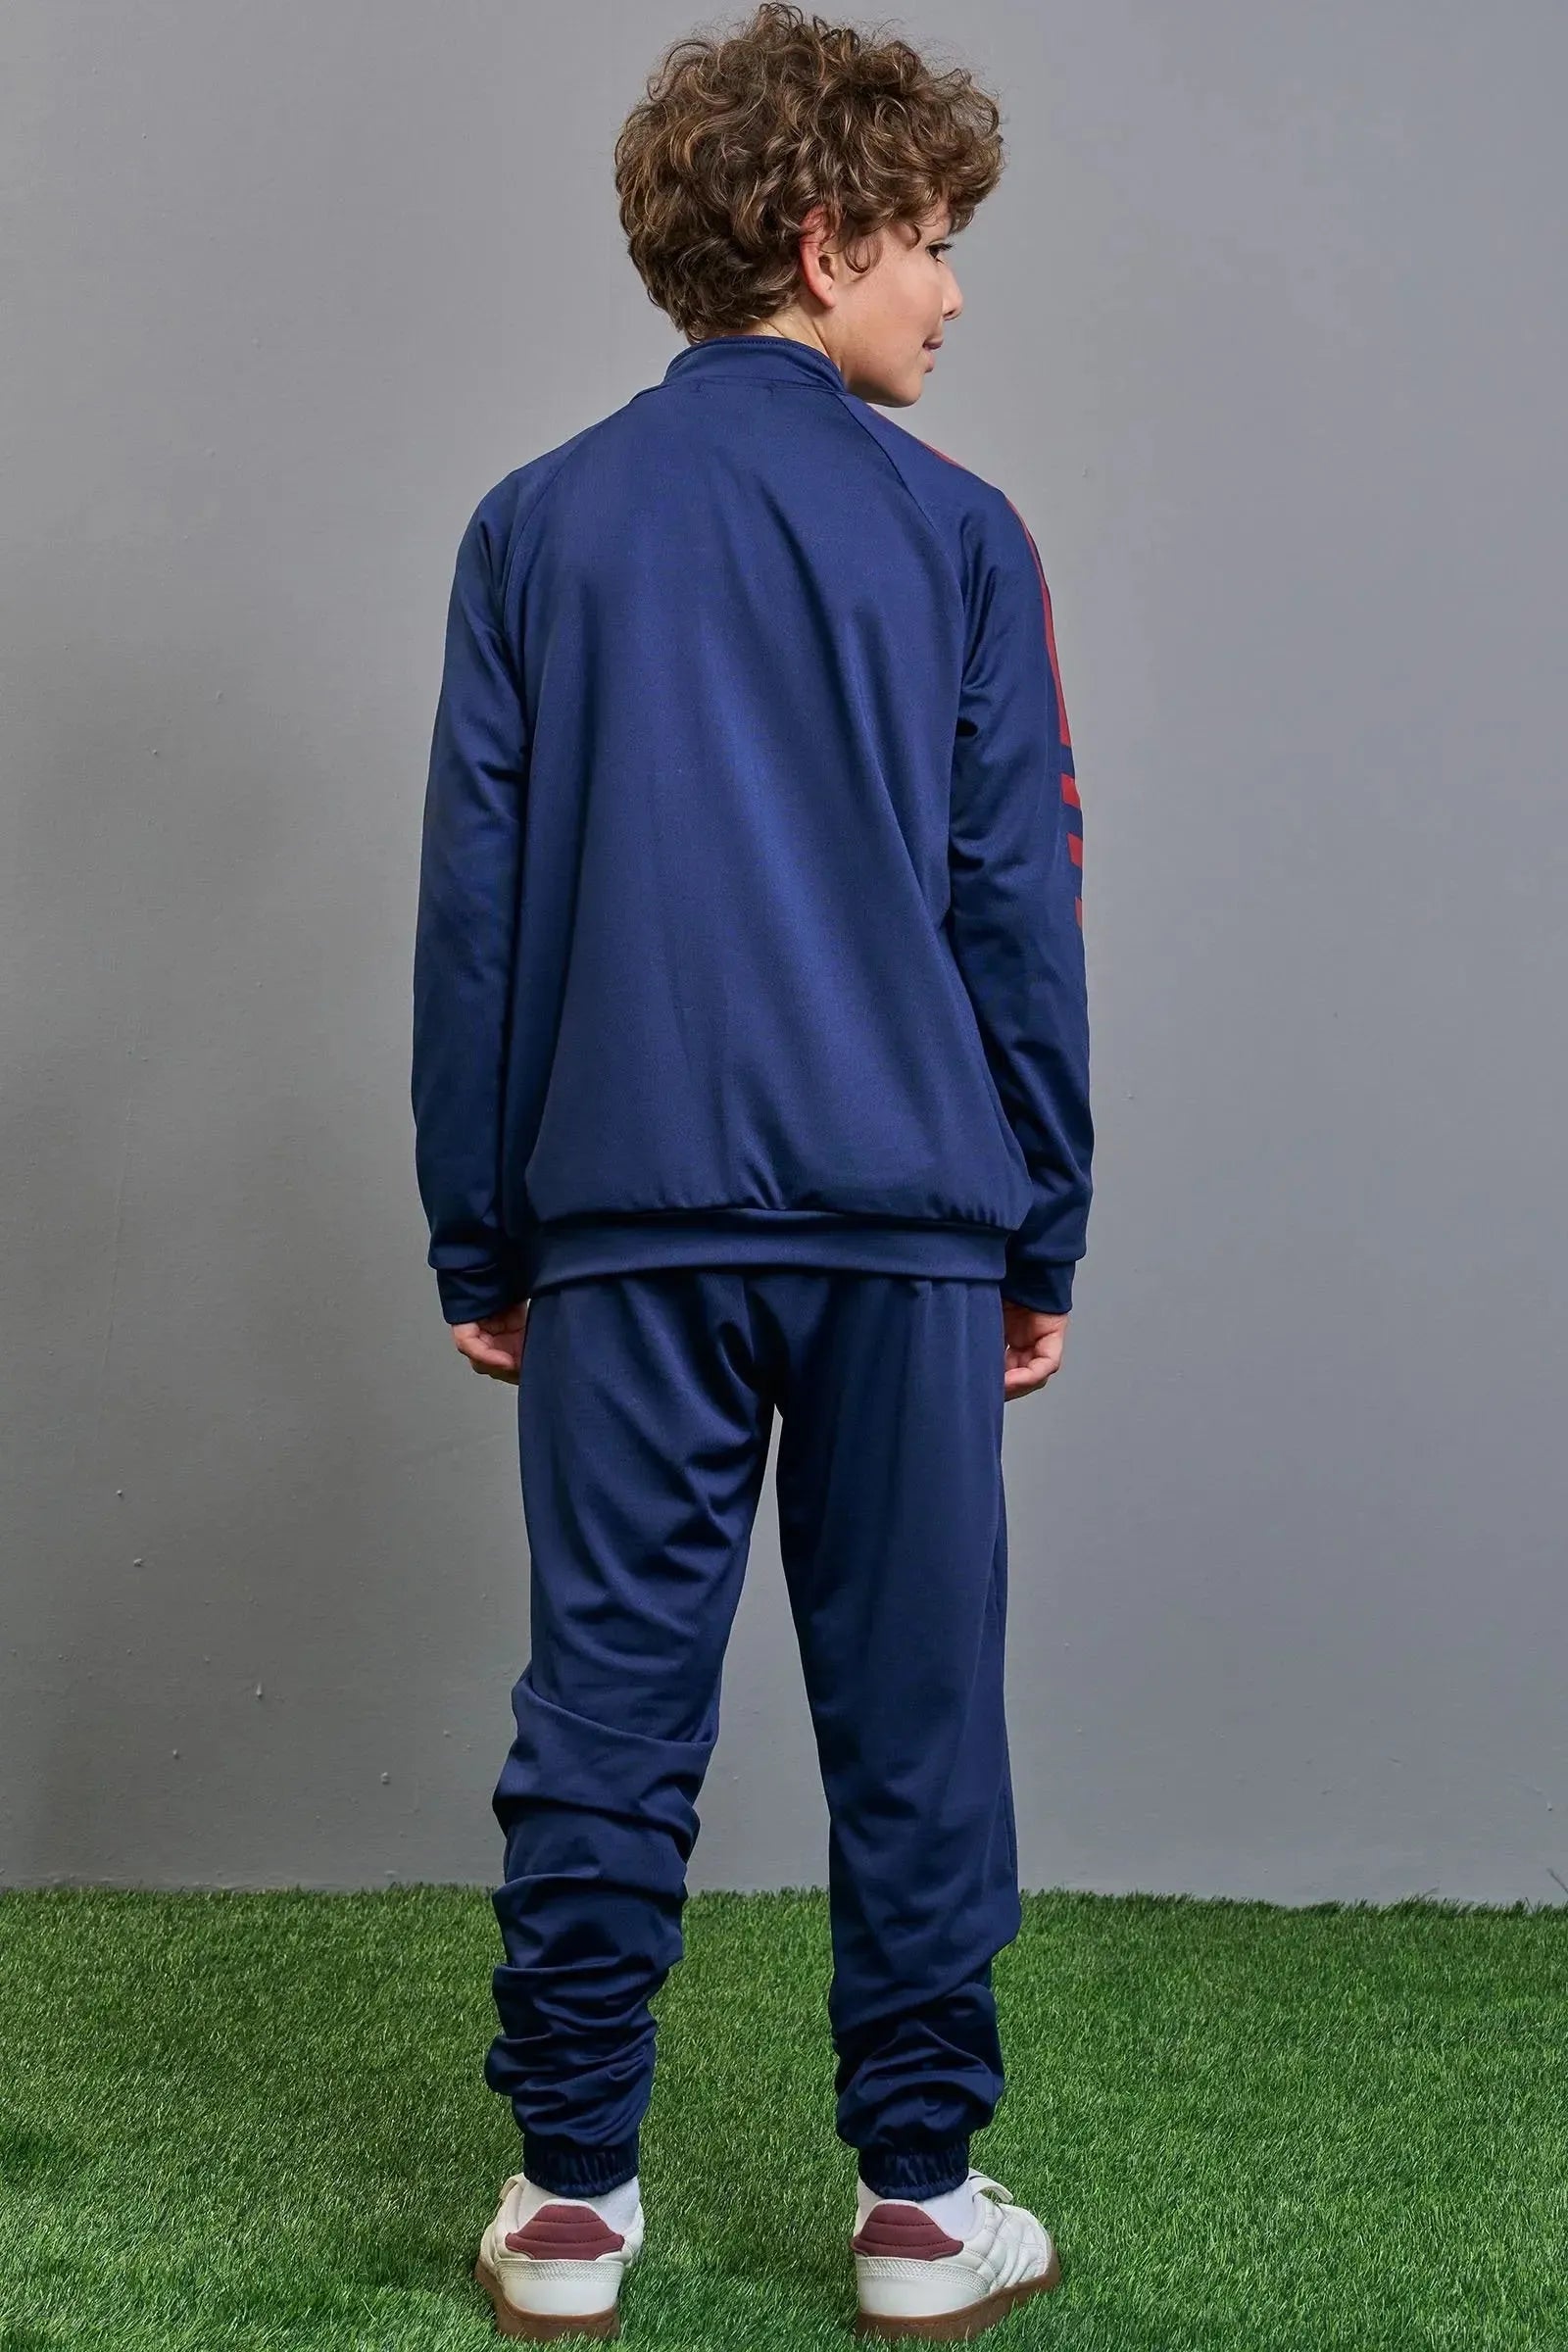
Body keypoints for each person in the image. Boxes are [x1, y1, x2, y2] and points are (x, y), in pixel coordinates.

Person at [410, 4, 1092, 2336]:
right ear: (822, 241)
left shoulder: (534, 527)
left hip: (618, 1222)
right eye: (929, 241)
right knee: (915, 1718)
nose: (951, 290)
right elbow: (1016, 906)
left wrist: (482, 1231)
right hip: (907, 1227)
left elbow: (476, 918)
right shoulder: (959, 536)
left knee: (603, 1706)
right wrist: (1038, 1221)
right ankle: (917, 2205)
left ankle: (569, 2202)